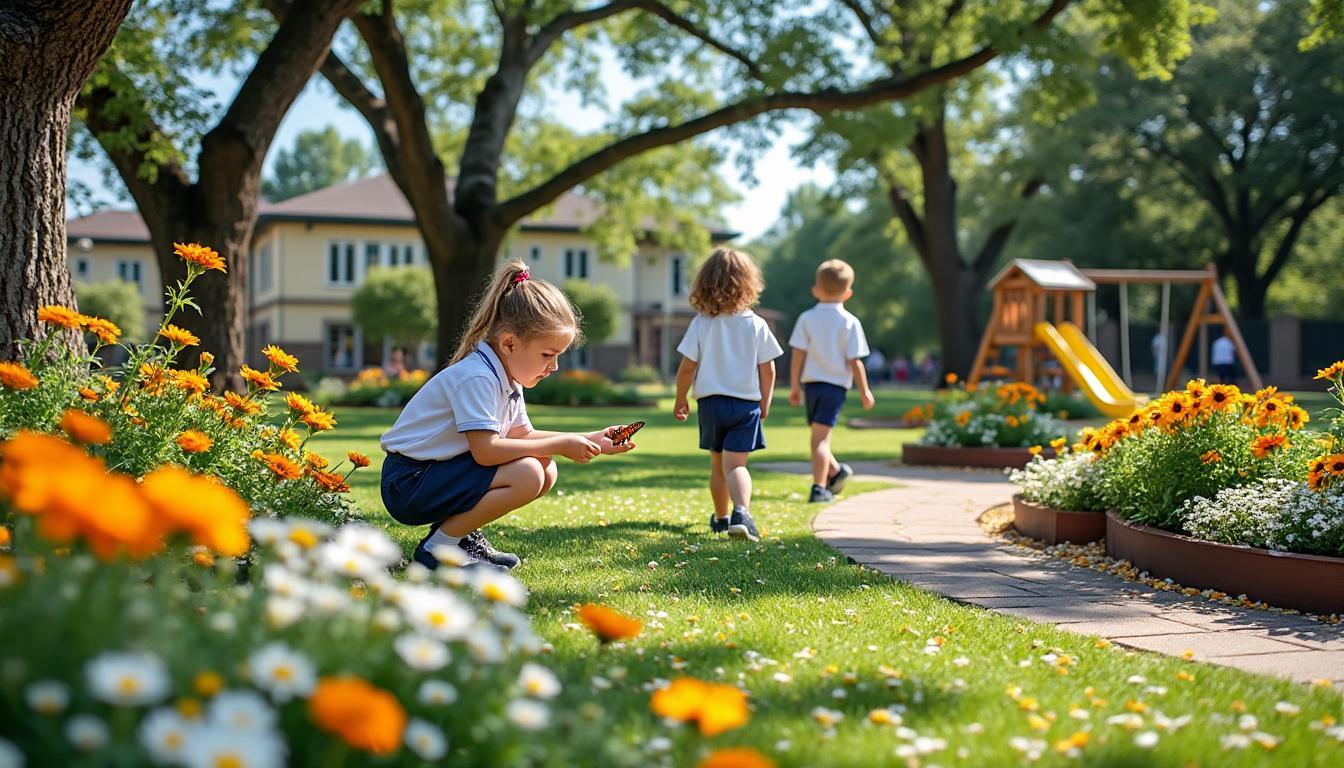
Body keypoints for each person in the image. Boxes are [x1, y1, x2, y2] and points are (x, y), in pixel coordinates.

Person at [379, 260, 635, 570]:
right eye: (547, 355)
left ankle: (458, 538)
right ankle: (439, 548)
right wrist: (560, 444)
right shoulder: (478, 377)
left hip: (436, 473)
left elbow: (521, 436)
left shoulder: (504, 374)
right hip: (409, 482)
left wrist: (589, 439)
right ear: (510, 342)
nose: (553, 367)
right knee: (528, 473)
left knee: (544, 468)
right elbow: (487, 452)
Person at [673, 247, 783, 542]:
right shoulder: (756, 324)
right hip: (745, 405)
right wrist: (765, 401)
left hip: (710, 404)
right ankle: (742, 513)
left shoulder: (701, 323)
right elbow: (768, 369)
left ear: (704, 284)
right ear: (748, 284)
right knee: (736, 465)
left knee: (717, 464)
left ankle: (721, 518)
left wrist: (680, 398)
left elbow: (686, 368)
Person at [787, 259, 875, 503]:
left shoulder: (806, 318)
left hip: (812, 385)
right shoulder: (849, 322)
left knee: (818, 439)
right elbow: (855, 361)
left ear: (815, 289)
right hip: (835, 387)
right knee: (820, 440)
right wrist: (864, 390)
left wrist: (795, 386)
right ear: (848, 293)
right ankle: (829, 478)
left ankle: (823, 483)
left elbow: (798, 354)